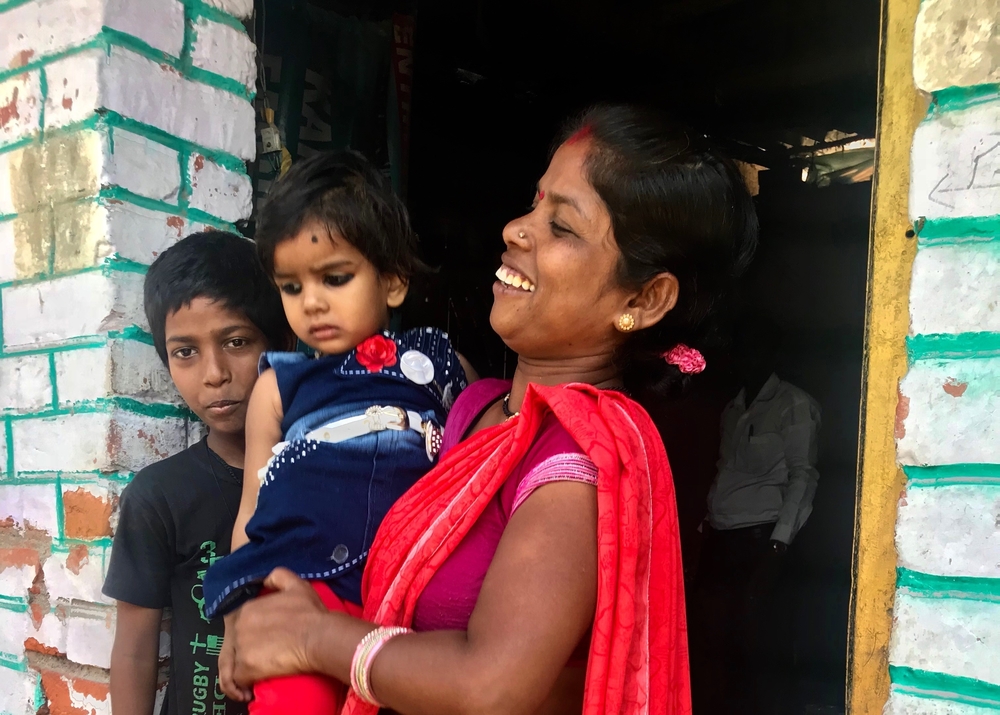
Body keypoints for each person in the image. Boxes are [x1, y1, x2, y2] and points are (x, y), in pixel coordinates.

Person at [220, 104, 758, 715]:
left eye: (563, 227)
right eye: (534, 203)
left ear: (645, 297)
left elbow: (491, 687)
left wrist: (311, 637)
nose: (516, 229)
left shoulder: (578, 458)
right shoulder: (469, 406)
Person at [202, 150, 470, 715]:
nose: (313, 302)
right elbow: (252, 508)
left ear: (393, 281)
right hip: (299, 590)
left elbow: (481, 468)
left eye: (335, 277)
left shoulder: (440, 364)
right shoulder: (280, 385)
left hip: (407, 596)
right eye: (292, 287)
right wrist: (239, 621)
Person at [103, 231, 291, 715]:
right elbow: (134, 650)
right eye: (185, 351)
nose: (214, 373)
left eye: (236, 341)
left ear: (282, 342)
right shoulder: (159, 496)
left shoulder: (317, 477)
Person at [691, 315, 821, 715]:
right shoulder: (734, 407)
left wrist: (778, 547)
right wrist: (705, 525)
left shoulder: (794, 404)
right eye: (740, 349)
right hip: (721, 540)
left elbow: (805, 476)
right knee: (715, 647)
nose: (745, 357)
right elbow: (725, 469)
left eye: (755, 347)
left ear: (773, 352)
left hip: (761, 542)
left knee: (760, 651)